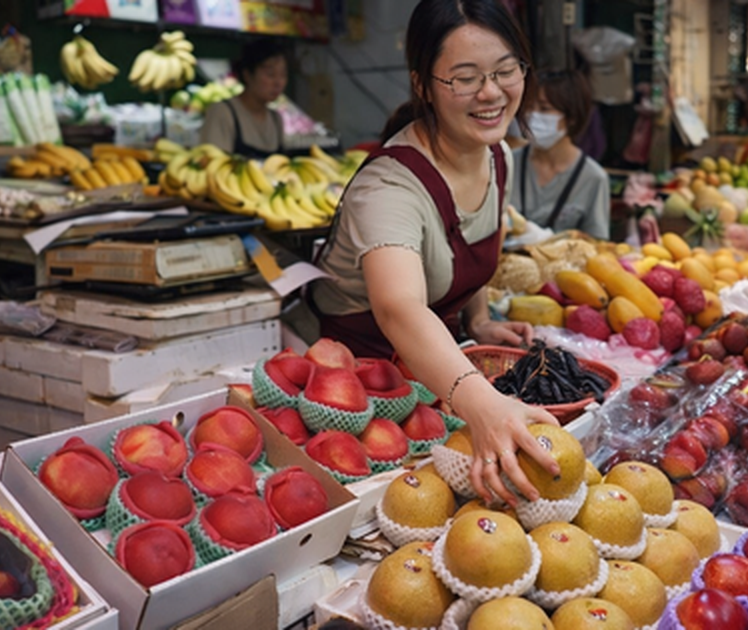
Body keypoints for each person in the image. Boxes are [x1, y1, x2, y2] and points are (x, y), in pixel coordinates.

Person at [307, 0, 560, 506]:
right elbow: (398, 307)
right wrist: (483, 403)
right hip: (357, 401)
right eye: (464, 78)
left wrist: (480, 319)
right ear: (423, 84)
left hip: (437, 382)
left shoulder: (496, 155)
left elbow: (471, 251)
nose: (491, 93)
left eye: (505, 70)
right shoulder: (388, 188)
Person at [513, 69, 610, 239]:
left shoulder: (593, 178)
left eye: (544, 109)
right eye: (529, 107)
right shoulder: (507, 163)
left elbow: (597, 244)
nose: (533, 116)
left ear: (572, 117)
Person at [199, 39, 287, 158]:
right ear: (247, 75)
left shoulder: (276, 119)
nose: (278, 82)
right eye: (270, 75)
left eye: (283, 75)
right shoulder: (223, 112)